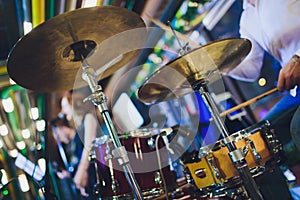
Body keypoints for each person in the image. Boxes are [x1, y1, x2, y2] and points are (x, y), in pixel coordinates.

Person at [227, 0, 300, 199]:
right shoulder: (247, 18)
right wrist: (218, 64)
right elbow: (251, 68)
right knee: (254, 145)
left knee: (298, 127)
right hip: (298, 92)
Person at [52, 88, 103, 199]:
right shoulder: (78, 129)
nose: (63, 112)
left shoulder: (89, 117)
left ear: (74, 105)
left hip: (97, 174)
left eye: (65, 107)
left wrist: (82, 172)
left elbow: (89, 146)